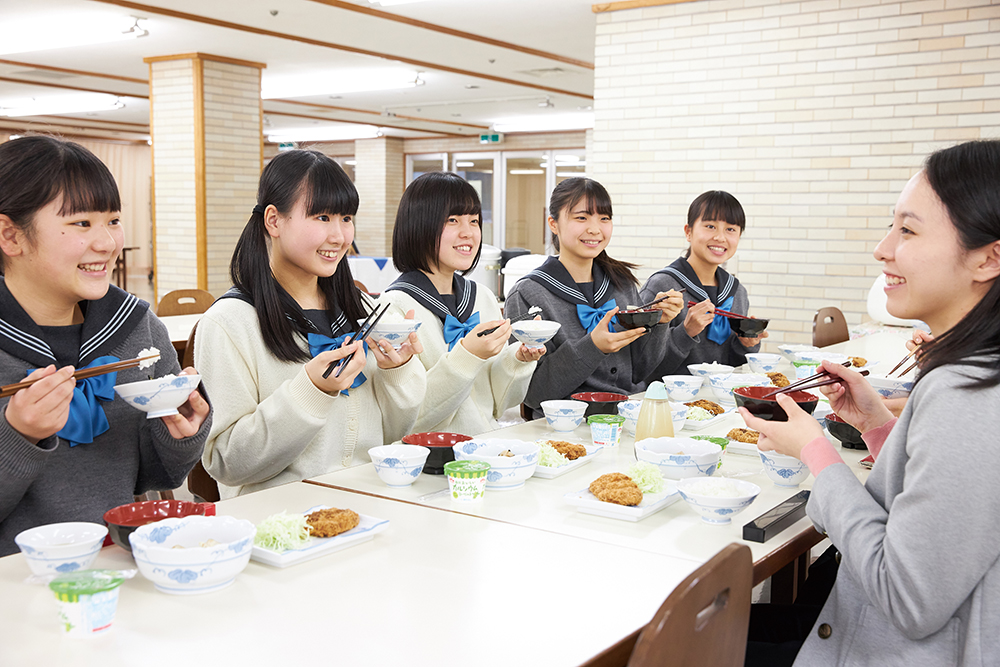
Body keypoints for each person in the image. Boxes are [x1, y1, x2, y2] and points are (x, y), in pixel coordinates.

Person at [741, 140, 1000, 666]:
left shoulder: (971, 393)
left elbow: (908, 598)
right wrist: (879, 426)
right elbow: (948, 512)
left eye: (908, 229)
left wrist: (816, 451)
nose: (883, 249)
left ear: (988, 257)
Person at [0, 136, 211, 556]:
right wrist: (18, 436)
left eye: (112, 220)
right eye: (82, 223)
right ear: (10, 236)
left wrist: (181, 436)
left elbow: (150, 477)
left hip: (124, 563)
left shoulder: (138, 328)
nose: (107, 243)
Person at [195, 149, 426, 498]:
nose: (339, 236)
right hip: (282, 524)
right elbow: (227, 463)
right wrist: (311, 392)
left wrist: (399, 370)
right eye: (322, 217)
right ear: (273, 221)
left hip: (372, 505)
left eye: (346, 218)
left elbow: (396, 436)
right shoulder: (229, 323)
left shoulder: (367, 311)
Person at [377, 172, 542, 435]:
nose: (468, 233)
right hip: (430, 462)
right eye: (452, 220)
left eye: (474, 221)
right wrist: (468, 355)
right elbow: (405, 423)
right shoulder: (393, 308)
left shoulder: (482, 297)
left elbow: (498, 406)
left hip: (487, 448)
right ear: (419, 225)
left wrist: (518, 360)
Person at [504, 177, 683, 418]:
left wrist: (660, 322)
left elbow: (640, 372)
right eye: (582, 217)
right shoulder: (527, 294)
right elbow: (534, 394)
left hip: (627, 415)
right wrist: (592, 347)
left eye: (604, 218)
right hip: (563, 426)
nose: (595, 229)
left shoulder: (622, 282)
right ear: (553, 223)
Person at [639, 190, 764, 380]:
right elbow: (640, 367)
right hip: (668, 401)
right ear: (688, 232)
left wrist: (746, 345)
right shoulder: (663, 287)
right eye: (710, 226)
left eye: (730, 229)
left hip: (720, 402)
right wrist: (685, 332)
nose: (720, 237)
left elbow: (734, 367)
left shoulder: (737, 292)